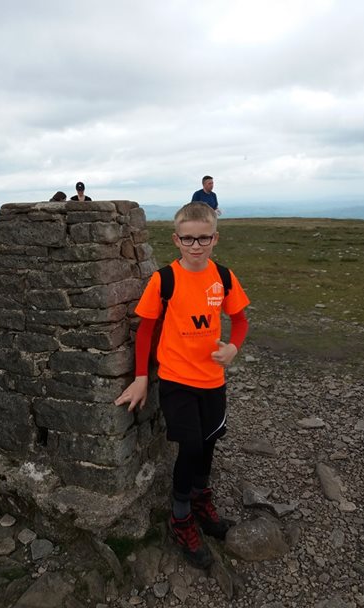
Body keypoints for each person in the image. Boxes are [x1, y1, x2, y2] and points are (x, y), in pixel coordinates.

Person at [115, 202, 249, 569]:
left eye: (203, 238)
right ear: (176, 239)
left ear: (214, 238)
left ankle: (202, 499)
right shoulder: (164, 280)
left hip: (213, 380)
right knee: (189, 444)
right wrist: (142, 379)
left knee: (208, 444)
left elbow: (239, 321)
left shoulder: (223, 277)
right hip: (176, 379)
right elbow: (145, 331)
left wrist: (233, 348)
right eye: (187, 238)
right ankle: (180, 516)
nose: (195, 245)